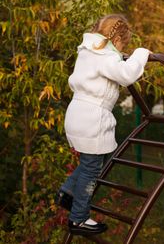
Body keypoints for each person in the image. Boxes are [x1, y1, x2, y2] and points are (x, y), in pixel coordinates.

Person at [56, 14, 150, 235]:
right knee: (92, 168)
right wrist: (140, 53)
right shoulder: (106, 56)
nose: (121, 50)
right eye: (122, 46)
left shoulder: (88, 52)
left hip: (76, 112)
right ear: (117, 39)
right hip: (92, 117)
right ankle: (78, 218)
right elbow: (127, 75)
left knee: (89, 161)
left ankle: (67, 192)